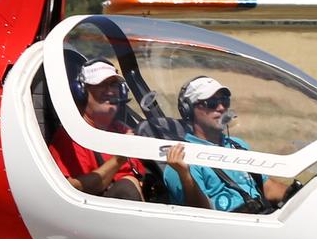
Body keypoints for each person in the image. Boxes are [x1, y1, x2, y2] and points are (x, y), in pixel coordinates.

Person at [159, 76, 291, 212]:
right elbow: (199, 215)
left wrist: (297, 194)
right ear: (189, 109)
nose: (221, 108)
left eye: (224, 101)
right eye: (211, 103)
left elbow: (267, 187)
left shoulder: (238, 146)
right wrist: (185, 176)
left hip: (262, 215)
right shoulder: (180, 161)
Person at [49, 59, 146, 200]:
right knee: (126, 188)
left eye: (113, 85)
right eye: (101, 85)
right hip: (94, 214)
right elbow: (70, 189)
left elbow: (139, 176)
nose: (110, 91)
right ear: (81, 92)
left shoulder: (123, 131)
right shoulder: (72, 136)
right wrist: (118, 159)